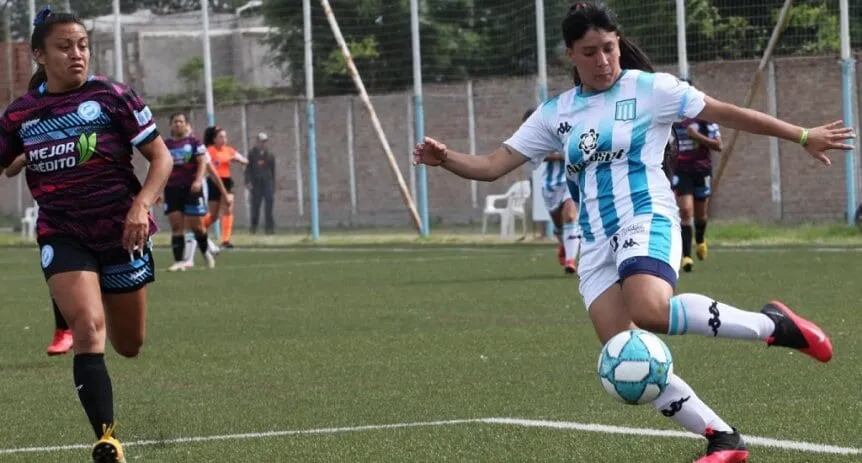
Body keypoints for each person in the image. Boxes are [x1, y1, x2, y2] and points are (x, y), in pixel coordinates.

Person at [413, 3, 852, 462]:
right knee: (625, 351)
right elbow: (491, 165)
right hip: (595, 242)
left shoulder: (652, 89)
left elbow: (731, 113)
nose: (603, 60)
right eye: (590, 52)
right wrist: (445, 158)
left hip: (646, 215)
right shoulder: (555, 114)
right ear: (570, 56)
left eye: (609, 48)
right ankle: (723, 438)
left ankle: (774, 325)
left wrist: (802, 135)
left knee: (650, 311)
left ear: (619, 43)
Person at [0, 8, 172, 463]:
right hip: (63, 233)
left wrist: (141, 205)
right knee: (87, 327)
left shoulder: (113, 97)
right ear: (39, 55)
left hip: (121, 232)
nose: (76, 54)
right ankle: (107, 439)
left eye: (82, 45)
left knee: (128, 344)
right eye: (63, 47)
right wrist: (15, 161)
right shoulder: (20, 115)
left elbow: (162, 159)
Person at [4, 154, 74, 355]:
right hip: (54, 217)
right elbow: (9, 170)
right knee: (57, 273)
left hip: (96, 213)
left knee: (127, 342)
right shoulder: (30, 127)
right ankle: (64, 330)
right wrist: (28, 156)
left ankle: (81, 328)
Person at [163, 112, 229, 271]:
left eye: (181, 121)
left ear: (186, 124)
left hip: (191, 189)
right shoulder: (165, 145)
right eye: (175, 122)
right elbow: (161, 167)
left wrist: (198, 181)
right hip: (172, 188)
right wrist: (158, 190)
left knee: (197, 227)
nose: (178, 124)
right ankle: (179, 261)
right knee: (176, 225)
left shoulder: (194, 142)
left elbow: (202, 164)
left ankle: (206, 253)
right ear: (171, 125)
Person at [524, 109, 581, 274]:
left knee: (570, 216)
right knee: (559, 224)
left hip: (570, 179)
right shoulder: (533, 139)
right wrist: (564, 155)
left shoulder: (566, 128)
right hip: (549, 185)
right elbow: (534, 156)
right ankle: (564, 243)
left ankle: (570, 261)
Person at [670, 92, 722, 272]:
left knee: (701, 214)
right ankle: (686, 256)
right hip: (681, 171)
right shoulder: (672, 120)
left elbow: (718, 145)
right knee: (685, 211)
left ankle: (700, 239)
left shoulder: (705, 119)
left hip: (701, 171)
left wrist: (697, 137)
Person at [203, 126, 247, 248]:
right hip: (213, 182)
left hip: (227, 181)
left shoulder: (229, 150)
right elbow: (207, 166)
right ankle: (198, 231)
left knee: (228, 208)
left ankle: (226, 240)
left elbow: (243, 159)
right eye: (221, 137)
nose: (224, 139)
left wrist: (239, 160)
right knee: (214, 215)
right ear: (214, 139)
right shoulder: (209, 151)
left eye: (225, 137)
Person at [245, 132, 276, 234]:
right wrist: (248, 181)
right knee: (255, 208)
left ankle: (269, 229)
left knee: (269, 207)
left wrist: (273, 186)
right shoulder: (252, 154)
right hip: (256, 184)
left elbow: (273, 171)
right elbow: (248, 169)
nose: (263, 143)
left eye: (265, 141)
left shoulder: (270, 155)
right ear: (257, 141)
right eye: (261, 141)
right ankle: (253, 228)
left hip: (267, 184)